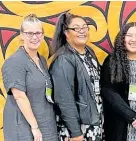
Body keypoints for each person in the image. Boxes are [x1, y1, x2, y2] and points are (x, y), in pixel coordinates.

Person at [2, 14, 58, 141]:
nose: (34, 37)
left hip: (45, 124)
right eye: (29, 33)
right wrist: (34, 126)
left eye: (38, 33)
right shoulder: (14, 62)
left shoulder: (42, 60)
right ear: (22, 35)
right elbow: (19, 96)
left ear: (43, 35)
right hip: (24, 127)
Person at [49, 12, 103, 141]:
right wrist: (75, 133)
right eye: (76, 28)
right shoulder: (64, 59)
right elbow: (64, 99)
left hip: (94, 122)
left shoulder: (89, 51)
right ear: (66, 33)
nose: (82, 31)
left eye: (84, 27)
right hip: (77, 128)